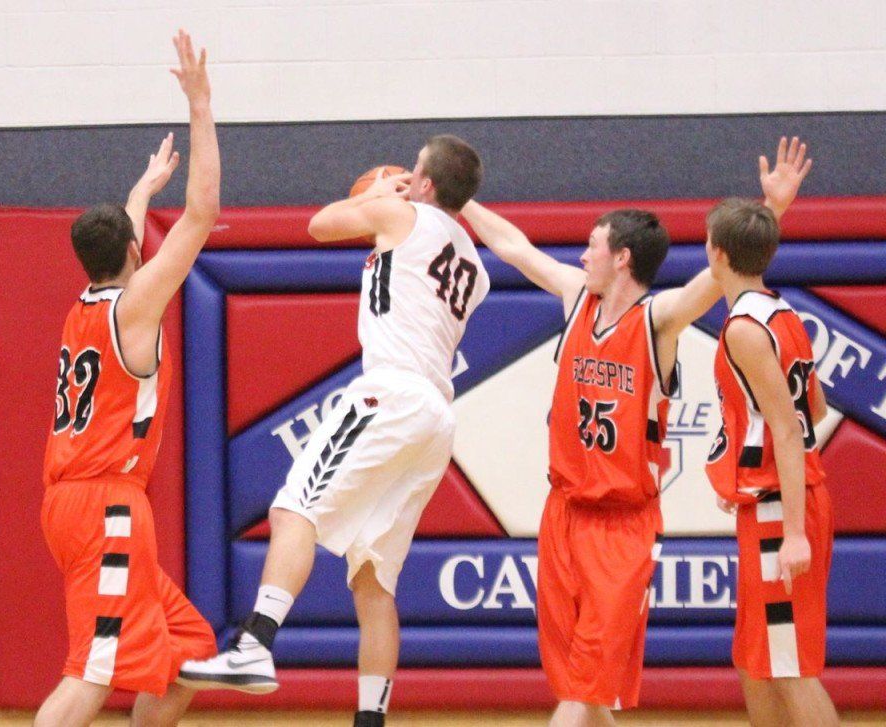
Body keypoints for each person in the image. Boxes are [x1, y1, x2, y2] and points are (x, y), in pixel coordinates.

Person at [460, 137, 810, 726]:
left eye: (592, 246)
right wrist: (457, 201)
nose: (580, 257)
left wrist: (772, 210)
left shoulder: (660, 319)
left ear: (622, 257)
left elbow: (719, 273)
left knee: (585, 684)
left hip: (622, 526)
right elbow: (514, 247)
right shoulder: (576, 300)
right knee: (582, 685)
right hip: (563, 514)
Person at [179, 135, 490, 727]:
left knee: (294, 509)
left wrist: (374, 192)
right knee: (373, 581)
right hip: (435, 419)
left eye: (414, 167)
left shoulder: (402, 212)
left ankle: (253, 647)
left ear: (424, 185)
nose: (404, 172)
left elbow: (320, 224)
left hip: (391, 392)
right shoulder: (474, 270)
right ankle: (370, 720)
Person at [35, 30, 220, 727]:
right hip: (104, 507)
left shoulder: (87, 303)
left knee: (187, 648)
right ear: (138, 253)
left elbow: (127, 233)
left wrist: (143, 186)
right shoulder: (137, 307)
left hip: (76, 500)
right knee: (92, 671)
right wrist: (201, 105)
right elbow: (201, 212)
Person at [705, 165, 838, 725]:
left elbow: (788, 428)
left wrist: (793, 534)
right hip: (770, 500)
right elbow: (819, 408)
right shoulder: (783, 314)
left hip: (781, 509)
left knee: (789, 667)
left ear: (715, 252)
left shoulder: (743, 329)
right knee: (754, 660)